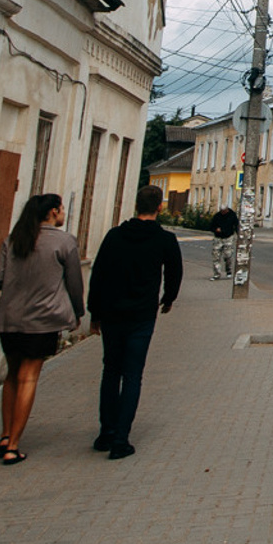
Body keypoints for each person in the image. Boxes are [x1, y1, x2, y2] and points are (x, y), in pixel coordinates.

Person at [87, 183, 184, 459]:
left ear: (135, 206)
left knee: (110, 371)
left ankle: (105, 432)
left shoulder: (115, 236)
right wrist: (168, 299)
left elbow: (99, 274)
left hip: (111, 313)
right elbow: (175, 272)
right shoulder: (164, 239)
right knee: (132, 375)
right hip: (142, 315)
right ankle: (121, 439)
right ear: (160, 208)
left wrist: (94, 313)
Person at [0, 193, 82, 465]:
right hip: (43, 320)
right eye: (61, 208)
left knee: (12, 375)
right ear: (53, 212)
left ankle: (5, 435)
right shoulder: (64, 241)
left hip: (10, 319)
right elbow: (74, 282)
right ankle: (13, 446)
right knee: (29, 377)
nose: (63, 213)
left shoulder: (14, 239)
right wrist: (77, 311)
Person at [209, 203, 240, 280]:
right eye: (221, 211)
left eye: (224, 211)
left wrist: (239, 235)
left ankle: (228, 270)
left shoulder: (232, 215)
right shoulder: (217, 216)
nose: (222, 212)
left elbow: (236, 225)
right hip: (218, 238)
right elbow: (211, 226)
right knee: (216, 257)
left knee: (228, 255)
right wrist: (216, 229)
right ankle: (217, 274)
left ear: (227, 210)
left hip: (228, 237)